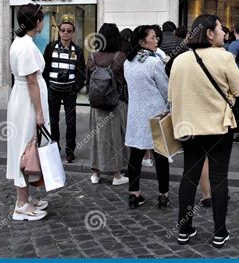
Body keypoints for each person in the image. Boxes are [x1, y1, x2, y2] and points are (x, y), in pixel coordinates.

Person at [169, 14, 239, 248]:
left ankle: (184, 230)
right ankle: (219, 233)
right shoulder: (224, 58)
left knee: (189, 177)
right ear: (209, 34)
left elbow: (172, 96)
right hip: (217, 128)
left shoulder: (180, 60)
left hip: (189, 128)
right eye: (220, 29)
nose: (225, 32)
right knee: (218, 179)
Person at [7, 3, 49, 221]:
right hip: (26, 103)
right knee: (25, 150)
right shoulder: (26, 46)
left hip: (22, 99)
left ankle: (25, 198)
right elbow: (32, 81)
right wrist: (39, 113)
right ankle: (21, 205)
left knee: (24, 150)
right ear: (37, 21)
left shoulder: (21, 42)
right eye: (42, 18)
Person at [124, 25, 170, 209]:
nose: (156, 39)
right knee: (161, 155)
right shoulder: (154, 62)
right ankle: (163, 194)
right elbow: (166, 89)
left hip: (135, 114)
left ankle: (134, 194)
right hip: (156, 114)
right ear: (142, 41)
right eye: (153, 37)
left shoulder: (128, 62)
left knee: (135, 155)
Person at [86, 23, 129, 186]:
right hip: (115, 103)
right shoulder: (120, 56)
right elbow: (125, 80)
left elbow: (88, 79)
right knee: (115, 138)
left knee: (96, 137)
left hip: (96, 104)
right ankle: (117, 175)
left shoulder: (92, 56)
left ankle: (95, 173)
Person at [43, 17, 85, 163]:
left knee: (70, 122)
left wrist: (75, 88)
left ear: (73, 33)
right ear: (59, 32)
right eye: (63, 30)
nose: (65, 33)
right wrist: (47, 86)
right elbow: (45, 69)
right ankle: (55, 148)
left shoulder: (77, 51)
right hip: (53, 90)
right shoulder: (50, 48)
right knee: (53, 121)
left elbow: (81, 73)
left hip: (69, 91)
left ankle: (70, 150)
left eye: (69, 31)